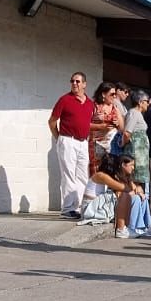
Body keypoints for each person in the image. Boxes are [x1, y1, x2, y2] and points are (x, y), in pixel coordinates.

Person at [49, 71, 95, 218]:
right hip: (68, 140)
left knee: (82, 175)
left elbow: (88, 123)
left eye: (78, 81)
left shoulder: (90, 103)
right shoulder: (64, 100)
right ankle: (68, 208)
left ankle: (81, 207)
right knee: (68, 174)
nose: (74, 84)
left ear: (84, 84)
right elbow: (52, 121)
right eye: (72, 81)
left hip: (83, 142)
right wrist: (59, 138)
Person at [84, 150, 151, 239]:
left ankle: (144, 226)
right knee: (127, 196)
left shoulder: (111, 176)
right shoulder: (101, 175)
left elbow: (134, 188)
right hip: (91, 208)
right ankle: (124, 229)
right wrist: (136, 191)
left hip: (101, 205)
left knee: (140, 197)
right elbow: (124, 188)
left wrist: (137, 190)